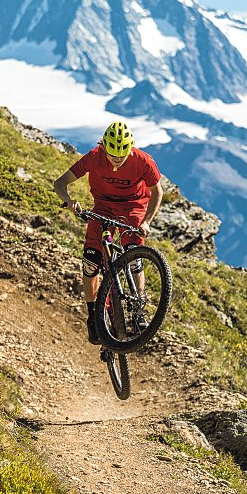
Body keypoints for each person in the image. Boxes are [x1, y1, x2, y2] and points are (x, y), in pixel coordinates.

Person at [53, 120, 163, 344]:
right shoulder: (94, 157)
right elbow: (60, 183)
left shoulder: (143, 161)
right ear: (103, 146)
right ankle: (94, 316)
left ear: (130, 148)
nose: (117, 160)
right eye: (112, 156)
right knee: (91, 261)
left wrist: (147, 221)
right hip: (103, 207)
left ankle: (138, 307)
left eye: (121, 157)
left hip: (134, 206)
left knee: (133, 253)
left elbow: (157, 192)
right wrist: (69, 202)